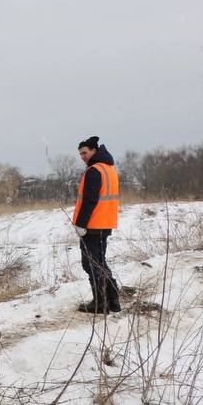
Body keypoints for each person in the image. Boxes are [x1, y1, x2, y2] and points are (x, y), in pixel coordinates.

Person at [73, 135, 121, 314]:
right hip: (105, 223)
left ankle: (100, 303)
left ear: (94, 150)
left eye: (85, 153)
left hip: (93, 226)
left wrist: (81, 224)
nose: (82, 157)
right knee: (99, 263)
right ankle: (113, 301)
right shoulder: (109, 169)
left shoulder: (94, 171)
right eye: (80, 154)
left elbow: (89, 201)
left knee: (91, 264)